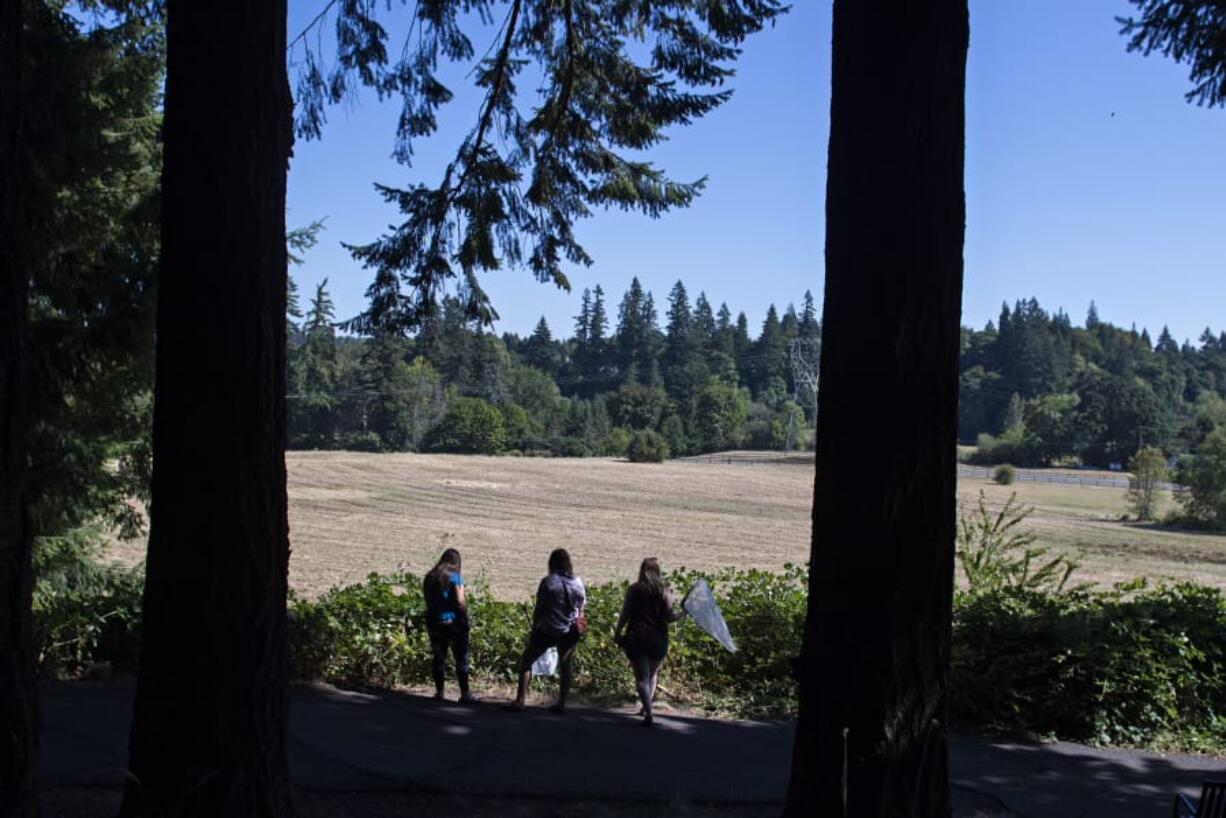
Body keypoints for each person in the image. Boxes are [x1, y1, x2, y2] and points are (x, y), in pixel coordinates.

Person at [614, 558, 687, 726]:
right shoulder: (664, 591)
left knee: (641, 677)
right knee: (652, 675)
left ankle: (648, 713)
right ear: (658, 571)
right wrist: (683, 613)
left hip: (636, 637)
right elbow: (669, 618)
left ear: (642, 571)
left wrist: (618, 633)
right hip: (658, 639)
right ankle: (646, 708)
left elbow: (625, 614)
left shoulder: (634, 590)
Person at [511, 548, 586, 713]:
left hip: (548, 629)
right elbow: (581, 609)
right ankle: (562, 704)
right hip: (569, 631)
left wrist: (535, 627)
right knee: (566, 666)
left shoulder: (549, 582)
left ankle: (521, 700)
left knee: (526, 661)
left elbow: (540, 609)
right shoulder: (578, 582)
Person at [422, 548, 476, 703]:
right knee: (460, 657)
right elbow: (459, 602)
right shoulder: (455, 578)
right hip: (452, 624)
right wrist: (464, 619)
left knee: (439, 657)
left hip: (433, 623)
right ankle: (465, 694)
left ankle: (439, 692)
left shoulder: (429, 577)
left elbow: (427, 600)